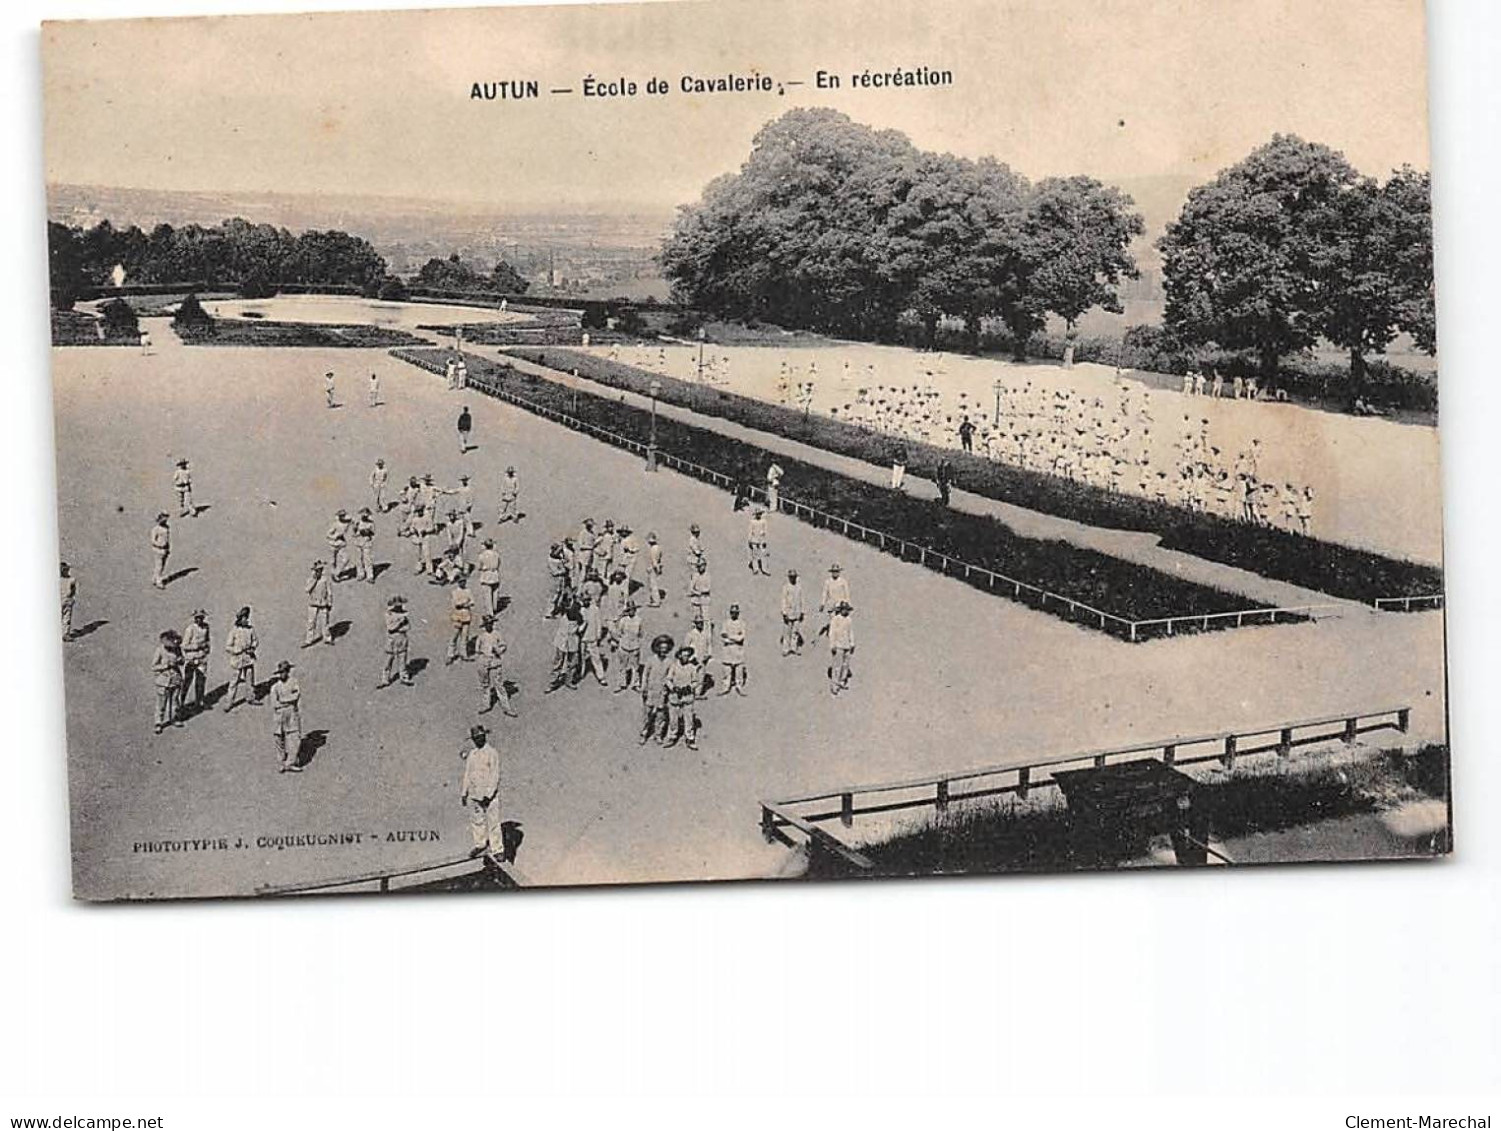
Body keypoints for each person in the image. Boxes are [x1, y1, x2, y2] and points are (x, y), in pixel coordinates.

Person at [460, 725, 503, 858]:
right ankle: (480, 844)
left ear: (484, 736)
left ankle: (498, 849)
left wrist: (488, 794)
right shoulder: (472, 754)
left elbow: (495, 775)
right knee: (477, 821)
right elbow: (468, 774)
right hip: (474, 794)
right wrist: (464, 792)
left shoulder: (492, 753)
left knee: (493, 822)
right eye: (475, 738)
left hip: (489, 796)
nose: (478, 740)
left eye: (480, 737)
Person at [474, 616, 516, 717]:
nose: (489, 626)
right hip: (484, 661)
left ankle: (506, 707)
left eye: (491, 623)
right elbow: (477, 649)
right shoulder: (481, 636)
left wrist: (498, 650)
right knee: (485, 684)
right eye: (487, 624)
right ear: (484, 626)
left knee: (499, 684)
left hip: (495, 660)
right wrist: (482, 658)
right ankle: (485, 704)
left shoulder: (497, 634)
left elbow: (503, 646)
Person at [223, 606, 260, 711]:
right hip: (237, 659)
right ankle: (229, 702)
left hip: (248, 658)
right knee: (234, 681)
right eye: (244, 618)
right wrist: (237, 650)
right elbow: (228, 646)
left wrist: (252, 648)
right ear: (239, 619)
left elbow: (256, 641)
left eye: (247, 617)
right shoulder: (234, 631)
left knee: (250, 679)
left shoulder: (250, 629)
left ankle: (250, 697)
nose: (246, 619)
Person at [664, 645, 701, 750]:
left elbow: (696, 681)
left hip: (687, 696)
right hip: (675, 696)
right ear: (679, 655)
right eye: (683, 655)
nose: (685, 657)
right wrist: (673, 688)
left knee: (688, 718)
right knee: (673, 718)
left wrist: (689, 688)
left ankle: (689, 738)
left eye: (687, 655)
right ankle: (672, 736)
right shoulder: (674, 666)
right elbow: (668, 679)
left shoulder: (692, 668)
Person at [639, 634, 674, 744]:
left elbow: (671, 677)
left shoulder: (670, 662)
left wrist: (668, 690)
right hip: (650, 690)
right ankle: (644, 733)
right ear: (657, 648)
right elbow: (645, 675)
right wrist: (643, 687)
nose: (663, 651)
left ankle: (658, 734)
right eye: (661, 648)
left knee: (660, 714)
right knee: (647, 713)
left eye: (666, 649)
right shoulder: (650, 660)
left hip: (662, 692)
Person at [270, 660, 302, 773]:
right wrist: (288, 701)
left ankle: (290, 763)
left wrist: (284, 700)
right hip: (279, 716)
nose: (282, 674)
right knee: (279, 739)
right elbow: (274, 704)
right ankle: (281, 762)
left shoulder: (294, 682)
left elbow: (296, 696)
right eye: (280, 672)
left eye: (284, 671)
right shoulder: (275, 687)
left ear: (288, 671)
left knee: (295, 738)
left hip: (291, 714)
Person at [151, 630, 184, 734]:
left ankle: (174, 718)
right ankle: (158, 722)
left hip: (175, 678)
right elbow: (153, 667)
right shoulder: (160, 651)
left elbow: (182, 660)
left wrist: (180, 660)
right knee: (161, 703)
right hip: (163, 680)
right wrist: (166, 666)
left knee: (175, 700)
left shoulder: (177, 649)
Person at [379, 596, 413, 688]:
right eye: (397, 606)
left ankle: (404, 677)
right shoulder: (389, 614)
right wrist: (400, 623)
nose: (400, 607)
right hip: (392, 639)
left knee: (402, 658)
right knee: (389, 659)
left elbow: (408, 627)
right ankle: (385, 679)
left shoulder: (404, 614)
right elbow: (390, 628)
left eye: (400, 605)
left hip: (402, 638)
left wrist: (398, 626)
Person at [180, 608, 211, 711]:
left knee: (201, 681)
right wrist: (196, 646)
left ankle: (199, 701)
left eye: (201, 618)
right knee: (187, 681)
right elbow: (184, 646)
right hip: (191, 658)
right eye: (197, 618)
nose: (199, 620)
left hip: (202, 658)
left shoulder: (206, 627)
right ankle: (181, 701)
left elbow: (207, 640)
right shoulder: (190, 629)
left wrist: (206, 649)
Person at [578, 593, 608, 686]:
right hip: (583, 638)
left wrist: (598, 635)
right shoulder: (580, 610)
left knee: (596, 658)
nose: (586, 602)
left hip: (592, 638)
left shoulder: (595, 609)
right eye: (584, 600)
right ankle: (581, 674)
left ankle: (601, 677)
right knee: (581, 658)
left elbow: (598, 623)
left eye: (587, 600)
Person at [718, 604, 748, 696]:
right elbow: (723, 637)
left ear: (738, 613)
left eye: (736, 613)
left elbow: (741, 638)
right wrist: (734, 638)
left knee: (739, 670)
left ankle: (739, 686)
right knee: (727, 670)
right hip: (728, 650)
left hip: (738, 650)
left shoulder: (742, 623)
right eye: (732, 612)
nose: (734, 614)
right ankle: (725, 687)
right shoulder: (725, 623)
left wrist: (730, 637)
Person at [614, 600, 643, 694]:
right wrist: (622, 641)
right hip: (624, 646)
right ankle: (622, 684)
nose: (631, 612)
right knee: (622, 666)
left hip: (635, 646)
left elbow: (641, 633)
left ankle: (636, 684)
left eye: (633, 610)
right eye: (629, 610)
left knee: (636, 666)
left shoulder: (639, 620)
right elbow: (619, 632)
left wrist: (636, 643)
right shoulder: (623, 620)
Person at [827, 601, 855, 695]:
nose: (845, 611)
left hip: (846, 645)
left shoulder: (849, 620)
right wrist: (832, 645)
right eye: (844, 609)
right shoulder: (835, 620)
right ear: (840, 610)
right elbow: (832, 633)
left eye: (847, 610)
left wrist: (852, 643)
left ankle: (842, 681)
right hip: (838, 646)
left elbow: (850, 632)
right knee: (837, 666)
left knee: (845, 665)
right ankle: (835, 685)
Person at [683, 616, 714, 699]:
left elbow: (709, 645)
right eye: (698, 623)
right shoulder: (690, 634)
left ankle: (697, 693)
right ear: (695, 624)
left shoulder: (705, 634)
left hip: (702, 658)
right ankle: (689, 692)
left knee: (701, 676)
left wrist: (708, 655)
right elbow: (685, 647)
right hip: (693, 659)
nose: (701, 624)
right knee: (692, 676)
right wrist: (690, 657)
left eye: (702, 623)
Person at [447, 575, 475, 664]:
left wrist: (466, 604)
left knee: (465, 637)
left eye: (464, 581)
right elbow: (456, 604)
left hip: (466, 616)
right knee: (454, 636)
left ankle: (464, 654)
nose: (463, 583)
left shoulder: (468, 591)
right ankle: (450, 655)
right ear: (458, 582)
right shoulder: (455, 592)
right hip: (457, 617)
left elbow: (472, 602)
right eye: (461, 581)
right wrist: (465, 603)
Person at [474, 538, 502, 618]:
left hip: (486, 574)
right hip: (495, 574)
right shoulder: (496, 554)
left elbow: (479, 566)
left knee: (487, 595)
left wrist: (481, 568)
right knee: (495, 592)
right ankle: (494, 607)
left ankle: (490, 612)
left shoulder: (482, 555)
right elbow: (499, 564)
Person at [780, 568, 805, 656]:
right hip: (788, 611)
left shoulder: (799, 587)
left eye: (794, 577)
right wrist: (784, 613)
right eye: (791, 577)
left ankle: (794, 647)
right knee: (787, 631)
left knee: (795, 631)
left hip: (797, 611)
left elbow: (802, 599)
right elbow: (783, 600)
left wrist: (802, 612)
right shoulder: (786, 587)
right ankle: (786, 649)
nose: (792, 578)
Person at [819, 563, 850, 632]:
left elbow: (847, 594)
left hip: (841, 605)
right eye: (834, 572)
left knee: (841, 621)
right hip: (831, 605)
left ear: (839, 572)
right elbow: (825, 593)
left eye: (836, 571)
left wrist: (847, 604)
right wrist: (822, 604)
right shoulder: (828, 582)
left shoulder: (843, 582)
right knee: (833, 621)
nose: (835, 573)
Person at [326, 510, 352, 581]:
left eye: (344, 515)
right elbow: (328, 534)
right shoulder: (335, 524)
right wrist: (334, 537)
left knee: (346, 559)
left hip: (341, 544)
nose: (343, 517)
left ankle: (337, 572)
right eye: (342, 516)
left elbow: (352, 520)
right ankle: (333, 574)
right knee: (332, 560)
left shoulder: (346, 523)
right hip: (333, 544)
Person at [353, 508, 377, 584]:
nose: (364, 516)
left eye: (366, 515)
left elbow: (373, 532)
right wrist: (356, 528)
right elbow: (354, 531)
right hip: (358, 541)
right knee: (358, 559)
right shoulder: (358, 522)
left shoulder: (371, 523)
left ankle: (370, 576)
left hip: (366, 542)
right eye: (363, 515)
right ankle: (360, 573)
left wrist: (367, 532)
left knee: (367, 559)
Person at [149, 513, 171, 589]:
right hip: (158, 550)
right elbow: (153, 541)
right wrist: (160, 544)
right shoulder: (155, 529)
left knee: (162, 565)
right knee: (159, 565)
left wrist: (168, 548)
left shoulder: (166, 528)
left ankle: (155, 578)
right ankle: (158, 581)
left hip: (165, 549)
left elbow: (167, 539)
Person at [746, 508, 770, 576]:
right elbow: (750, 532)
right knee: (755, 555)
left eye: (760, 514)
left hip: (761, 540)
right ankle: (755, 568)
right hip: (754, 540)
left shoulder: (764, 521)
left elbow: (765, 531)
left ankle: (764, 569)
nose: (759, 515)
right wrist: (749, 540)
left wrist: (765, 540)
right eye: (757, 514)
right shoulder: (752, 522)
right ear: (755, 515)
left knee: (763, 555)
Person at [688, 558, 713, 623]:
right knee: (696, 617)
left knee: (706, 618)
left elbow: (708, 588)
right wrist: (696, 592)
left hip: (705, 599)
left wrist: (700, 591)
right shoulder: (695, 575)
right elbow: (691, 588)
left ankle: (706, 632)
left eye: (701, 566)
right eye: (698, 566)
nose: (700, 568)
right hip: (696, 599)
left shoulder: (707, 575)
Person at [645, 531, 665, 607]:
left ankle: (656, 601)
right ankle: (655, 599)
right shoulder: (658, 547)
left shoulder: (653, 549)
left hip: (653, 568)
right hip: (656, 567)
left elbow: (654, 561)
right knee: (653, 584)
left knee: (653, 585)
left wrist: (656, 569)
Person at [60, 561, 77, 641]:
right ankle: (65, 633)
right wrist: (72, 598)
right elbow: (73, 590)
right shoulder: (71, 580)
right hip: (66, 600)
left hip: (61, 600)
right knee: (66, 617)